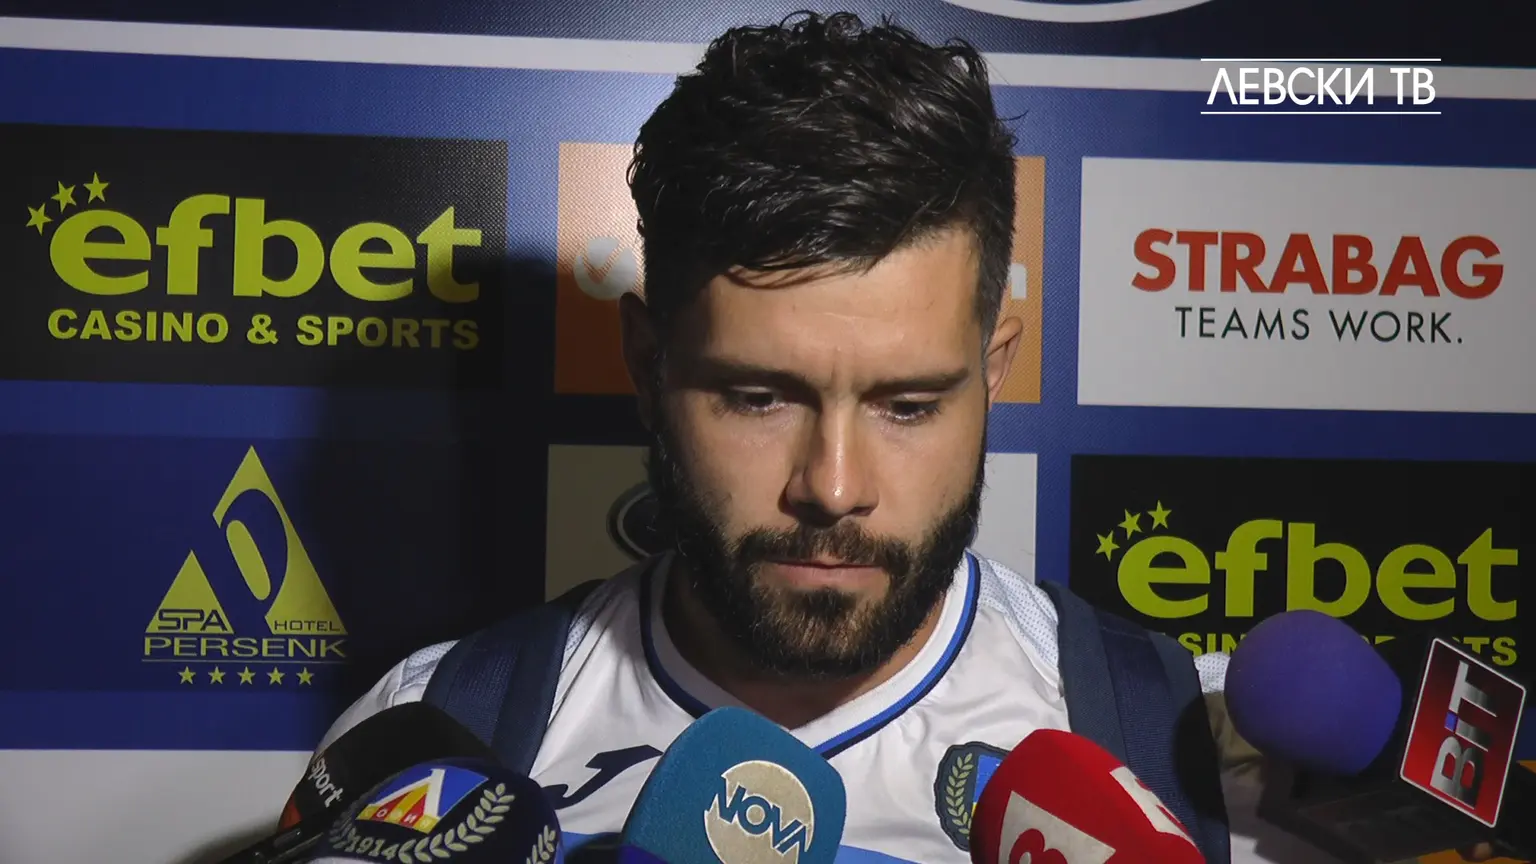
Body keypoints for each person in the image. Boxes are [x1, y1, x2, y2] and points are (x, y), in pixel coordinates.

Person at [314, 12, 1495, 864]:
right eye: (758, 397)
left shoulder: (1190, 754)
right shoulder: (436, 745)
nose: (834, 488)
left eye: (908, 405)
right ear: (648, 366)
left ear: (997, 369)